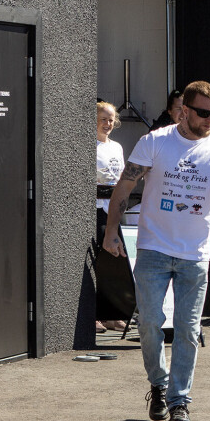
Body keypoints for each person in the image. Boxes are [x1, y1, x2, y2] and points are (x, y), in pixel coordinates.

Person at [102, 81, 210, 421]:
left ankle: (179, 401)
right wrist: (111, 232)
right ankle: (158, 384)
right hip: (154, 248)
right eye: (203, 113)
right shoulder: (155, 141)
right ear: (184, 111)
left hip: (194, 254)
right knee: (149, 323)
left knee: (188, 329)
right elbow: (125, 186)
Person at [95, 101, 127, 333]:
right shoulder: (89, 145)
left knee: (115, 260)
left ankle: (112, 314)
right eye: (103, 119)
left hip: (114, 207)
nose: (107, 124)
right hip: (97, 206)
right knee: (97, 260)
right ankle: (95, 314)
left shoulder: (116, 147)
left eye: (111, 120)